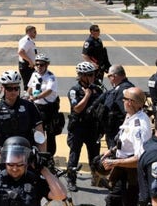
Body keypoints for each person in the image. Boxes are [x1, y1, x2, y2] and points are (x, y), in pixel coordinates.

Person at [101, 87, 151, 206]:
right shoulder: (131, 116)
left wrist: (114, 163)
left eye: (124, 99)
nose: (122, 101)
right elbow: (124, 141)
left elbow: (140, 157)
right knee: (112, 202)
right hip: (122, 170)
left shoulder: (140, 125)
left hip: (131, 175)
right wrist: (112, 151)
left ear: (131, 102)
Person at [0, 70, 46, 164]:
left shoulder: (29, 107)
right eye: (9, 88)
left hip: (26, 156)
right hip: (3, 158)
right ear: (2, 88)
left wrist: (42, 158)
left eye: (16, 88)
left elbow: (40, 134)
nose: (13, 91)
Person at [66, 61, 103, 192]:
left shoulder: (97, 88)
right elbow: (76, 108)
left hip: (92, 126)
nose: (93, 77)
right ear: (82, 76)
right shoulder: (74, 91)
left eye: (94, 74)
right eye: (90, 75)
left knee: (94, 154)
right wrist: (87, 95)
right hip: (78, 127)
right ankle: (71, 179)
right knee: (74, 154)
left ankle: (96, 178)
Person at [25, 54, 60, 156]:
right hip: (36, 107)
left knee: (50, 133)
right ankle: (38, 152)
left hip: (48, 109)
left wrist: (36, 97)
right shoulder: (34, 74)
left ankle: (49, 155)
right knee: (37, 132)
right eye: (37, 64)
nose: (39, 67)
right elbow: (30, 87)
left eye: (41, 64)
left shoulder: (51, 77)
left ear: (47, 65)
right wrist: (26, 96)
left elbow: (49, 90)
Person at [97, 64, 135, 148]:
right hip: (113, 130)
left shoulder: (123, 90)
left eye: (109, 76)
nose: (109, 79)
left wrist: (122, 131)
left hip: (116, 131)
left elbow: (128, 112)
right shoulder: (119, 88)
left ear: (114, 76)